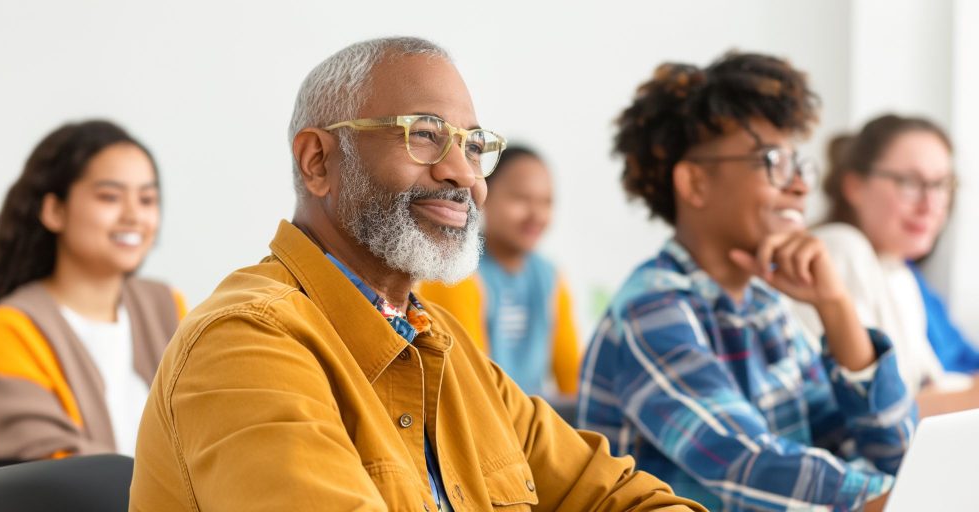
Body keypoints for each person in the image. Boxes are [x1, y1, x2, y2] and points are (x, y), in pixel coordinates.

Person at [129, 37, 705, 512]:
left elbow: (629, 498)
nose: (463, 176)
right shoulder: (244, 343)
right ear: (318, 161)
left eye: (474, 147)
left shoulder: (447, 350)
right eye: (424, 135)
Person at [577, 52, 916, 511]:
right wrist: (910, 497)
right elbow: (750, 465)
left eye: (800, 164)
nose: (799, 186)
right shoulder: (650, 310)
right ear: (695, 183)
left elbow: (892, 452)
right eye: (773, 161)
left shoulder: (763, 305)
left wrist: (835, 306)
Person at [0, 120, 185, 461]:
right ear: (55, 211)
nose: (134, 215)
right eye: (110, 197)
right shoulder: (9, 329)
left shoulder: (167, 306)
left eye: (147, 199)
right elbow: (65, 480)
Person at [794, 114, 979, 417]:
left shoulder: (898, 271)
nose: (930, 204)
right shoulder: (838, 250)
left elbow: (929, 386)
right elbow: (873, 415)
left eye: (941, 185)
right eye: (908, 182)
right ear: (854, 186)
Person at [418, 146, 581, 398]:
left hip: (532, 424)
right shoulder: (455, 274)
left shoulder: (550, 276)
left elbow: (573, 382)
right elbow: (469, 384)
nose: (536, 215)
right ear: (484, 196)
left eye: (546, 202)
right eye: (521, 199)